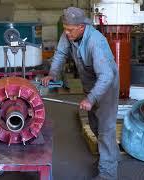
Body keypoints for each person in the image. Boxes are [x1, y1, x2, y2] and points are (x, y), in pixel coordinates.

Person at [41, 7, 120, 180]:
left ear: (81, 27)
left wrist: (91, 98)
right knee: (94, 125)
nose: (66, 33)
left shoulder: (95, 42)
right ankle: (106, 159)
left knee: (106, 130)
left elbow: (106, 76)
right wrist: (53, 73)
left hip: (106, 87)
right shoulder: (69, 34)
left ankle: (108, 174)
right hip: (90, 84)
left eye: (70, 30)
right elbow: (61, 53)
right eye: (65, 28)